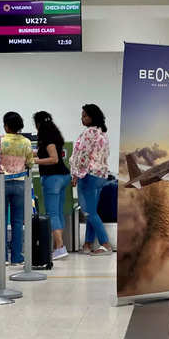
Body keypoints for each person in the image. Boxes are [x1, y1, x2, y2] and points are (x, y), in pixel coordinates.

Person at [0, 112, 34, 265]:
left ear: (6, 126)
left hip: (1, 182)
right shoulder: (26, 142)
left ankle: (3, 257)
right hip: (20, 183)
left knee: (1, 220)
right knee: (18, 222)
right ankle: (17, 258)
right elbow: (30, 162)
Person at [70, 104, 113, 256]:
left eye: (85, 116)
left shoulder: (88, 133)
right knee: (92, 211)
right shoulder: (103, 134)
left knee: (88, 211)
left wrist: (75, 173)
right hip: (100, 175)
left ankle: (105, 243)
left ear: (92, 117)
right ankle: (87, 244)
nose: (82, 118)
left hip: (88, 175)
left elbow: (81, 156)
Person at [33, 111, 70, 260]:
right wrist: (32, 155)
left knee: (52, 214)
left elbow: (53, 159)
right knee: (58, 212)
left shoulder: (46, 136)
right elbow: (47, 154)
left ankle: (60, 247)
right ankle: (59, 247)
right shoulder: (54, 134)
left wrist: (33, 161)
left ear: (38, 123)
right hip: (63, 177)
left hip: (53, 178)